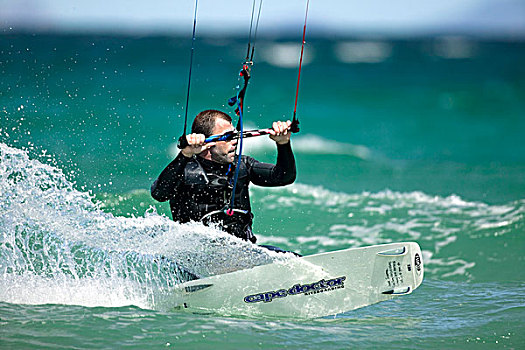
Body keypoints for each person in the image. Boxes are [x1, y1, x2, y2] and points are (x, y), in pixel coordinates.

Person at [151, 109, 296, 247]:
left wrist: (283, 143)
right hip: (198, 258)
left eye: (235, 135)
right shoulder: (184, 170)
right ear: (208, 142)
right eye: (228, 137)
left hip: (242, 254)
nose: (235, 141)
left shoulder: (243, 165)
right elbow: (159, 194)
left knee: (293, 261)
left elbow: (284, 177)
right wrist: (185, 154)